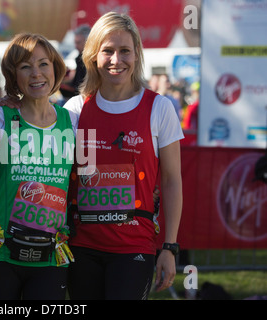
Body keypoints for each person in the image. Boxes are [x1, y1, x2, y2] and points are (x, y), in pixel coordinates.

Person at [63, 12, 183, 300]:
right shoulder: (75, 109)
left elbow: (171, 180)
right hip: (82, 247)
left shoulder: (160, 108)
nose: (116, 60)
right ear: (92, 55)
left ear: (137, 55)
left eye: (125, 51)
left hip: (134, 247)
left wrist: (169, 247)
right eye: (107, 51)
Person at [0, 33, 77, 300]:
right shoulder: (0, 117)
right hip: (0, 251)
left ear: (56, 68)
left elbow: (86, 179)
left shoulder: (73, 122)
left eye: (44, 64)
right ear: (13, 74)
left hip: (52, 255)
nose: (36, 74)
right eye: (25, 67)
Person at [60, 25, 91, 99]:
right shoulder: (79, 58)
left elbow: (81, 86)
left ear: (88, 42)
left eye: (78, 42)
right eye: (75, 43)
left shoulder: (91, 60)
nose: (76, 46)